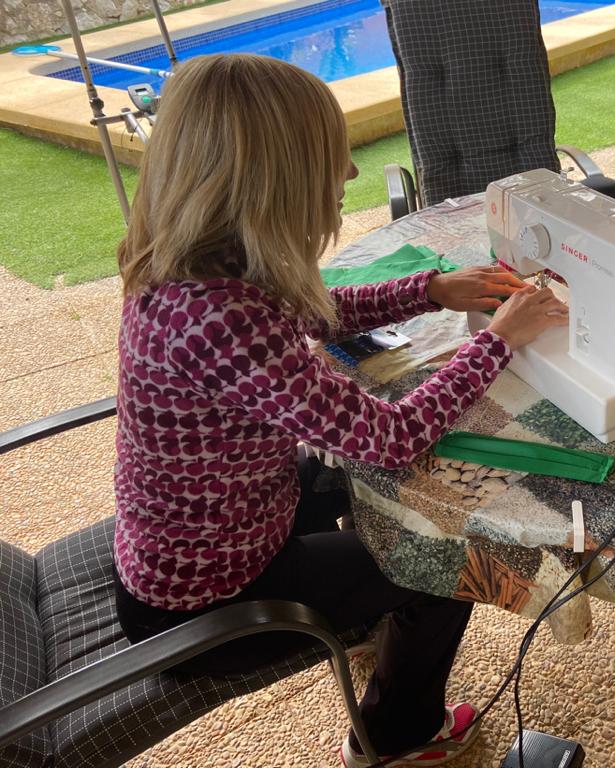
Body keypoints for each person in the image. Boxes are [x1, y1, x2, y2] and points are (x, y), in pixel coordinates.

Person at [112, 53, 567, 767]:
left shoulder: (196, 268)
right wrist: (499, 342)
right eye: (333, 156)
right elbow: (391, 437)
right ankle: (397, 738)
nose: (350, 172)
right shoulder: (219, 317)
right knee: (448, 559)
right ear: (277, 179)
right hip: (210, 602)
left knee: (361, 488)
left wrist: (430, 289)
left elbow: (307, 310)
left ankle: (367, 620)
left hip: (202, 532)